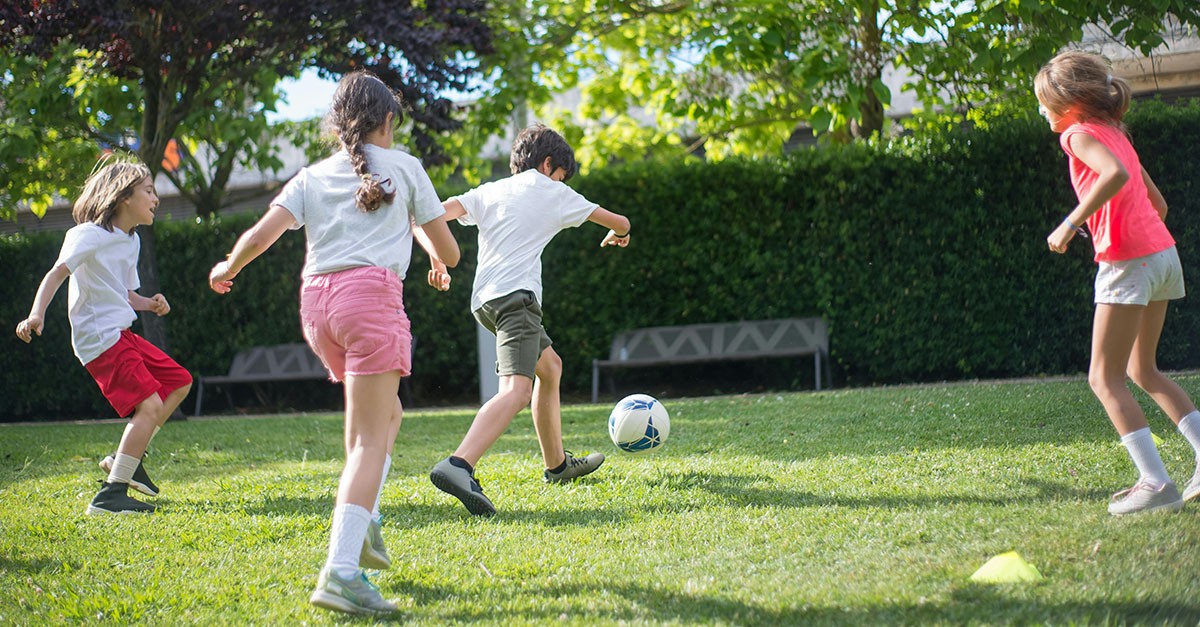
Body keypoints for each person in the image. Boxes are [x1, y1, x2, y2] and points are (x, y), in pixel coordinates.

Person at [207, 71, 460, 615]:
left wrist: (229, 266)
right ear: (388, 120)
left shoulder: (313, 174)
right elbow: (451, 251)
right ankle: (342, 571)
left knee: (381, 417)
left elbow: (262, 235)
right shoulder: (406, 168)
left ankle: (363, 520)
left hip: (318, 309)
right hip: (370, 302)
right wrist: (440, 255)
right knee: (373, 438)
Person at [421, 123, 631, 517]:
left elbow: (435, 216)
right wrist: (621, 234)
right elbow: (619, 220)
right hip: (517, 300)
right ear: (549, 164)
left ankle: (557, 466)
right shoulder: (553, 190)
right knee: (517, 390)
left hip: (485, 302)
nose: (561, 182)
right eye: (561, 175)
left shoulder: (490, 190)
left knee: (550, 367)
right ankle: (459, 464)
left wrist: (437, 258)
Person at [1036, 50, 1200, 515]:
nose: (1042, 112)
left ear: (1070, 102)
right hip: (1162, 255)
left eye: (1045, 102)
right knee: (1142, 372)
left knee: (1103, 377)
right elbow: (1159, 206)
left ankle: (1156, 483)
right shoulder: (1115, 134)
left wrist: (1071, 223)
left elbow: (1114, 176)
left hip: (1129, 262)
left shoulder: (1077, 134)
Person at [15, 159, 193, 515]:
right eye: (149, 191)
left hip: (120, 332)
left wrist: (149, 303)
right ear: (124, 196)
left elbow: (124, 294)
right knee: (151, 405)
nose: (156, 198)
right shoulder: (87, 235)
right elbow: (56, 274)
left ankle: (126, 460)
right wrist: (36, 314)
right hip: (99, 338)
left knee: (179, 381)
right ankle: (110, 497)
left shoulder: (132, 240)